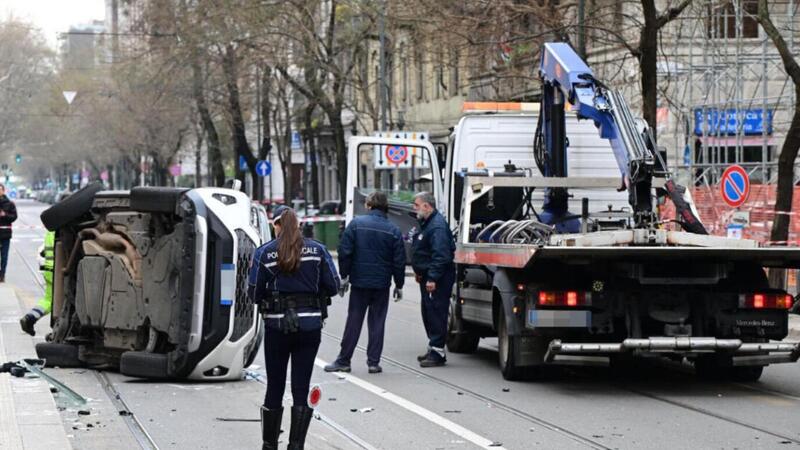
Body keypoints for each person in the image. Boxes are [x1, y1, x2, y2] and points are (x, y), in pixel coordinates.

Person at [248, 205, 340, 450]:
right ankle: (296, 445)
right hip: (310, 327)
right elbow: (333, 285)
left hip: (277, 327)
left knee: (275, 385)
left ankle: (269, 446)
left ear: (276, 225)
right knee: (301, 386)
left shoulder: (265, 253)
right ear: (298, 225)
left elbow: (254, 291)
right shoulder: (318, 250)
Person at [324, 191, 405, 374]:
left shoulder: (356, 225)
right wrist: (399, 284)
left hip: (360, 282)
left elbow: (345, 251)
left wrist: (344, 276)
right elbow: (398, 261)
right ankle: (373, 362)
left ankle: (344, 360)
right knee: (377, 322)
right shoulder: (393, 230)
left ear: (369, 206)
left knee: (354, 320)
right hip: (382, 284)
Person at [411, 192, 455, 368]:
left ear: (426, 206)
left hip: (437, 278)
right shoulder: (428, 223)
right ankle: (433, 348)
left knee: (436, 313)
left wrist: (432, 278)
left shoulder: (436, 227)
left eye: (416, 205)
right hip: (428, 276)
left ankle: (437, 352)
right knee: (428, 312)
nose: (414, 208)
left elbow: (441, 255)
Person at [20, 231, 55, 336]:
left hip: (49, 269)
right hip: (57, 271)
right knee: (60, 302)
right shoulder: (61, 229)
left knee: (48, 300)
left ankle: (30, 318)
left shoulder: (51, 232)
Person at [0, 184, 17, 283]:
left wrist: (5, 215)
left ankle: (2, 275)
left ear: (3, 191)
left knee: (4, 256)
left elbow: (14, 217)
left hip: (5, 234)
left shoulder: (10, 204)